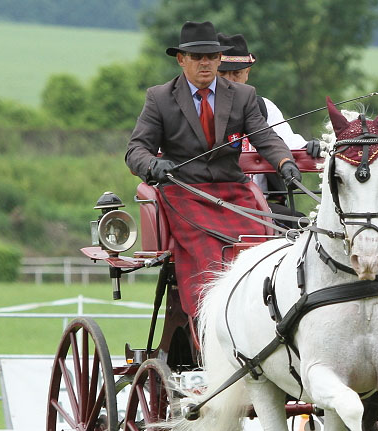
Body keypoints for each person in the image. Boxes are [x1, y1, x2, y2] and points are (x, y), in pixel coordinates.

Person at [125, 21, 301, 317]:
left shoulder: (243, 97)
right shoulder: (159, 98)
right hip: (185, 194)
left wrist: (285, 163)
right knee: (209, 254)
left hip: (234, 192)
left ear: (219, 59)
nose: (204, 63)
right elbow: (135, 150)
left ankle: (261, 319)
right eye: (196, 57)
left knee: (257, 249)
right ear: (182, 60)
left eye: (210, 56)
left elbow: (266, 137)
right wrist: (153, 165)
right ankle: (209, 324)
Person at [216, 33, 322, 206]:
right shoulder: (197, 106)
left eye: (236, 73)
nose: (230, 81)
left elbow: (288, 143)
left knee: (300, 227)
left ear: (247, 73)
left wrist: (311, 147)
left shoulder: (263, 108)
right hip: (211, 202)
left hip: (262, 206)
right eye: (222, 74)